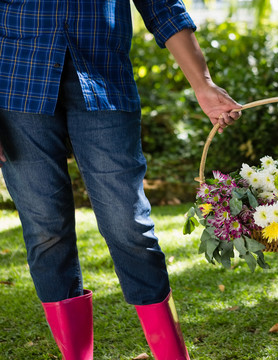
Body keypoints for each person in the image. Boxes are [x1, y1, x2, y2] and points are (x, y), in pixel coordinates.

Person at [0, 1, 241, 359]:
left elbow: (162, 7)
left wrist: (203, 84)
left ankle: (172, 355)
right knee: (45, 230)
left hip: (104, 81)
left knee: (128, 224)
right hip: (15, 87)